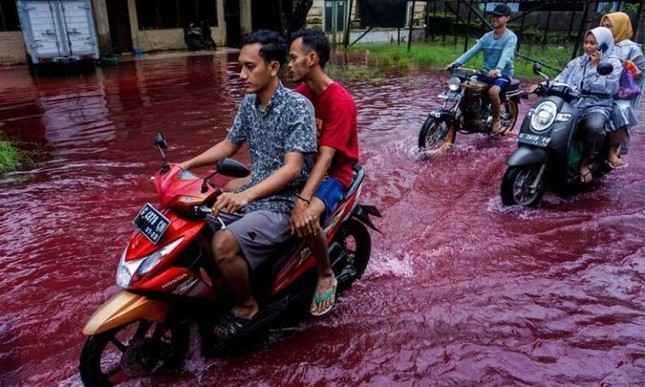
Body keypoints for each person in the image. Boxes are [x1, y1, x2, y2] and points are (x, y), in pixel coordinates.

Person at [179, 30, 317, 339]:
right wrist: (185, 165)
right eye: (240, 66)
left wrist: (246, 195)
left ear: (273, 67)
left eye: (249, 66)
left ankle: (247, 306)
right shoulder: (249, 103)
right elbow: (229, 145)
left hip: (285, 202)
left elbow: (293, 169)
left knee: (223, 244)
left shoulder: (298, 107)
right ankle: (227, 288)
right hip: (253, 192)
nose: (241, 74)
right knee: (198, 228)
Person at [287, 29, 359, 316]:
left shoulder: (341, 101)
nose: (289, 64)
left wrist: (303, 200)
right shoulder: (301, 95)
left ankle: (325, 272)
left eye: (293, 58)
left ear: (312, 58)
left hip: (335, 175)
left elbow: (327, 158)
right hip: (305, 168)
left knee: (305, 219)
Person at [551, 27, 622, 183]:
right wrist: (544, 85)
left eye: (593, 43)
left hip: (598, 105)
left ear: (603, 45)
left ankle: (586, 162)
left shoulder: (613, 64)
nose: (588, 47)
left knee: (594, 127)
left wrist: (593, 67)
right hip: (574, 103)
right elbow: (562, 78)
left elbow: (607, 88)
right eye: (586, 42)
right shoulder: (578, 62)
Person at [445, 3, 517, 133]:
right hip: (485, 72)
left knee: (493, 92)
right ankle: (469, 115)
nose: (495, 19)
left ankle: (496, 120)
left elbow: (506, 55)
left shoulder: (510, 37)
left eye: (499, 17)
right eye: (494, 16)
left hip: (502, 74)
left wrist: (498, 69)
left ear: (507, 18)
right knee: (465, 85)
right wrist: (455, 63)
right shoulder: (487, 37)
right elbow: (472, 51)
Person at [600, 12, 645, 168]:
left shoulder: (632, 49)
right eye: (603, 26)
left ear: (620, 27)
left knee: (621, 112)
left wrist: (624, 65)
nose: (605, 29)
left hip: (619, 93)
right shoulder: (600, 42)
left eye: (609, 26)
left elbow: (640, 74)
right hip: (597, 87)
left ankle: (613, 151)